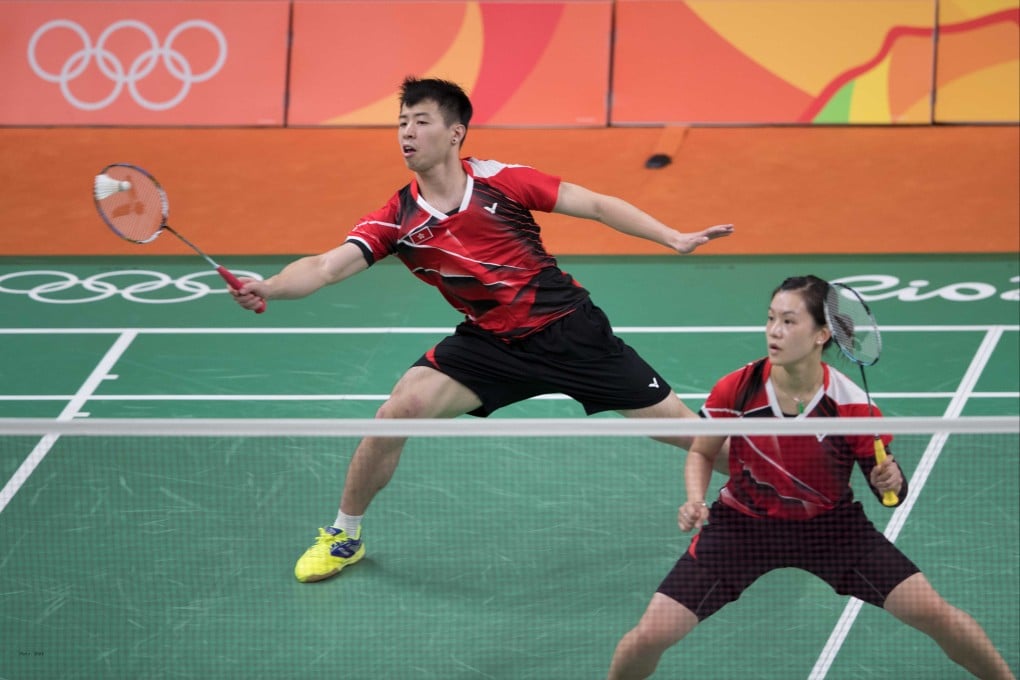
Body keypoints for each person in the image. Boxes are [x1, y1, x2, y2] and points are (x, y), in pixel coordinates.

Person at [230, 77, 735, 583]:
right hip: (492, 344)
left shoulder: (501, 181)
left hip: (570, 333)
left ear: (455, 133)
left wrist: (672, 237)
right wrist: (270, 287)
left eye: (421, 122)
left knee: (689, 432)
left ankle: (777, 484)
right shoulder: (397, 219)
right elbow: (324, 267)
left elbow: (597, 204)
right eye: (402, 123)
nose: (407, 133)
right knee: (394, 415)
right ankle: (345, 534)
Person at [606, 275, 1016, 680]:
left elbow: (891, 492)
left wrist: (890, 481)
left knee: (934, 613)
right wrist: (695, 498)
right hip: (742, 527)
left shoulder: (850, 405)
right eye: (770, 318)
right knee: (649, 635)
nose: (774, 331)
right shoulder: (738, 388)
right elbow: (702, 450)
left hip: (831, 530)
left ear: (822, 334)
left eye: (789, 321)